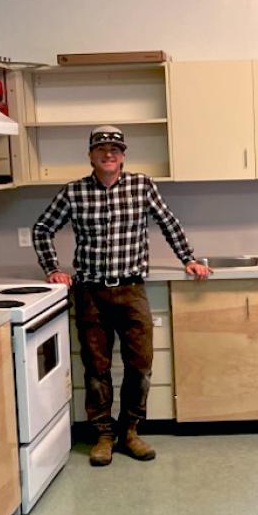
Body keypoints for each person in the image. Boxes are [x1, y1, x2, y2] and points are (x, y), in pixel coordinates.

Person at [32, 125, 211, 467]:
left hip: (131, 290)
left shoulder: (142, 185)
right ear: (90, 155)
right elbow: (42, 229)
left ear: (123, 155)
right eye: (101, 149)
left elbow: (168, 223)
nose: (108, 154)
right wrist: (52, 267)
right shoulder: (73, 193)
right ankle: (103, 435)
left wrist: (187, 258)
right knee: (96, 369)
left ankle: (129, 431)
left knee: (140, 366)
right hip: (90, 294)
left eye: (115, 149)